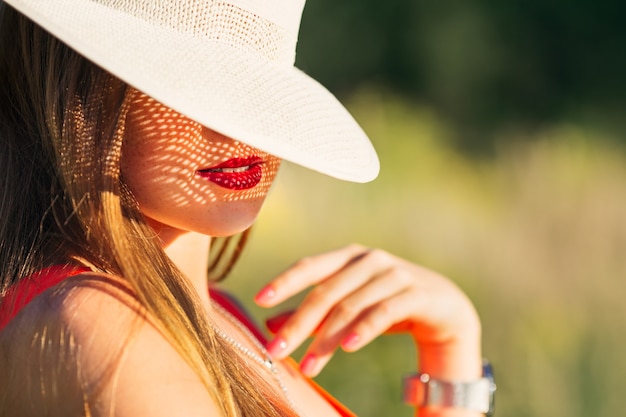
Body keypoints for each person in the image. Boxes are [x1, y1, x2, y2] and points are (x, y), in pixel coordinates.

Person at [0, 0, 493, 416]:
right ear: (74, 80)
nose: (240, 129)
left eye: (259, 91)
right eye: (188, 79)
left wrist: (451, 353)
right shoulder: (103, 329)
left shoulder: (215, 314)